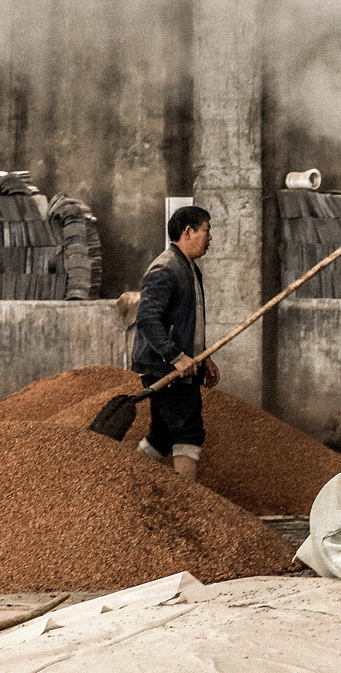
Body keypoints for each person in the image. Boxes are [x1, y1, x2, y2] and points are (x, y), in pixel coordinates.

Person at [131, 205, 219, 482]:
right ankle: (187, 503)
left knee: (162, 436)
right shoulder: (165, 268)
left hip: (181, 366)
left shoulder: (189, 268)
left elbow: (185, 322)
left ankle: (126, 481)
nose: (210, 237)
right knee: (188, 431)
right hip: (166, 369)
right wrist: (176, 356)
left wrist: (202, 357)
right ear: (188, 231)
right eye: (206, 230)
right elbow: (147, 319)